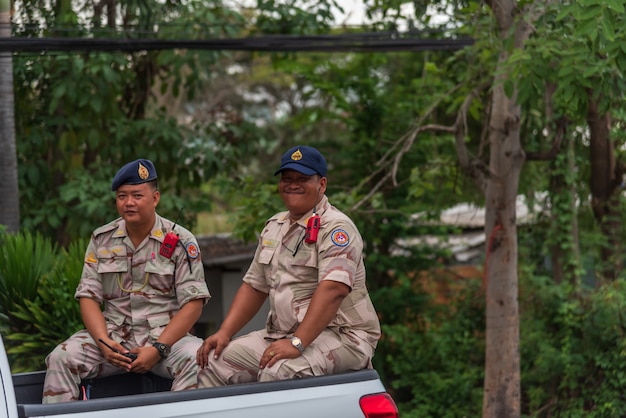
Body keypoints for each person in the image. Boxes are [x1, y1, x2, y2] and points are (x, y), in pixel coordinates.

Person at [196, 145, 380, 387]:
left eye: (303, 179)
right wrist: (224, 332)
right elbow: (255, 286)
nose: (293, 184)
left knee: (279, 370)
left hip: (344, 336)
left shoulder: (336, 228)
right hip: (282, 335)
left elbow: (334, 290)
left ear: (321, 185)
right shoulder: (275, 226)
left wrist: (298, 342)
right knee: (212, 360)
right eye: (287, 178)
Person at [43, 158, 211, 403]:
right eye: (122, 196)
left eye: (137, 195)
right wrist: (103, 343)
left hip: (165, 338)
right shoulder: (103, 238)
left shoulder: (180, 241)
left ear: (155, 198)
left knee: (198, 358)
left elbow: (194, 303)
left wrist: (159, 348)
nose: (129, 202)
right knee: (61, 358)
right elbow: (88, 296)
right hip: (113, 338)